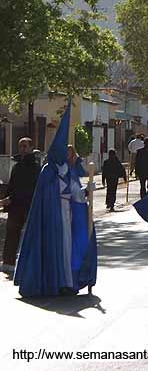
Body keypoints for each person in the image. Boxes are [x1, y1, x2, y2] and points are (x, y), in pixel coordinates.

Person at [14, 103, 97, 296]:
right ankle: (57, 282)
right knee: (58, 250)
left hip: (68, 217)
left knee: (69, 251)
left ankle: (68, 282)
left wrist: (86, 191)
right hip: (53, 219)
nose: (67, 155)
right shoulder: (49, 171)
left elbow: (75, 193)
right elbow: (55, 192)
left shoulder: (67, 170)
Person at [0, 138, 40, 272]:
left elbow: (29, 188)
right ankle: (8, 263)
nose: (22, 149)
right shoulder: (16, 166)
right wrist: (7, 200)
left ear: (30, 147)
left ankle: (31, 265)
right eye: (20, 146)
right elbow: (12, 186)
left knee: (31, 236)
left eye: (24, 146)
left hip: (29, 207)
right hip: (15, 208)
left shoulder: (35, 168)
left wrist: (12, 198)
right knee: (11, 235)